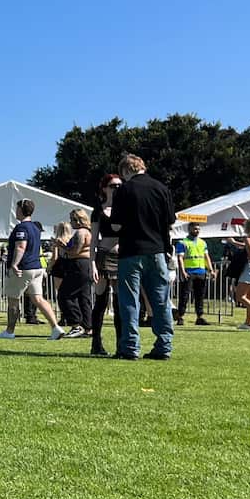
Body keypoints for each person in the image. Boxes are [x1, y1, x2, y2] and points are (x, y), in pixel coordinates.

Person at [107, 153, 176, 360]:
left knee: (130, 300)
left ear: (126, 171)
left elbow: (116, 225)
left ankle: (130, 347)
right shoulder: (161, 188)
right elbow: (170, 222)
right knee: (161, 300)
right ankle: (164, 346)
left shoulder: (124, 191)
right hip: (157, 251)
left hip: (131, 251)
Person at [0, 199, 65, 340]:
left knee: (13, 299)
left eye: (17, 208)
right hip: (37, 267)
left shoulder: (21, 228)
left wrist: (15, 264)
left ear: (21, 209)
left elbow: (21, 246)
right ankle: (56, 328)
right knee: (38, 298)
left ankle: (9, 331)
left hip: (23, 268)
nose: (15, 210)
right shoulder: (35, 227)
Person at [89, 174, 123, 356]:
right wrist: (92, 264)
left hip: (122, 257)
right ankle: (96, 343)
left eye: (119, 185)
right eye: (112, 186)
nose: (116, 188)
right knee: (101, 301)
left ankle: (121, 344)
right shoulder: (98, 211)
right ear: (104, 188)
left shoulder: (126, 209)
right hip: (103, 256)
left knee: (119, 303)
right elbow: (93, 240)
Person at [57, 209, 94, 337]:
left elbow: (75, 251)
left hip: (78, 265)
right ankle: (88, 327)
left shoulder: (80, 232)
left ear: (78, 220)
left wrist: (61, 246)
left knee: (64, 294)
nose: (70, 222)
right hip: (87, 265)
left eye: (71, 219)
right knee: (84, 298)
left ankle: (75, 324)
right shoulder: (89, 232)